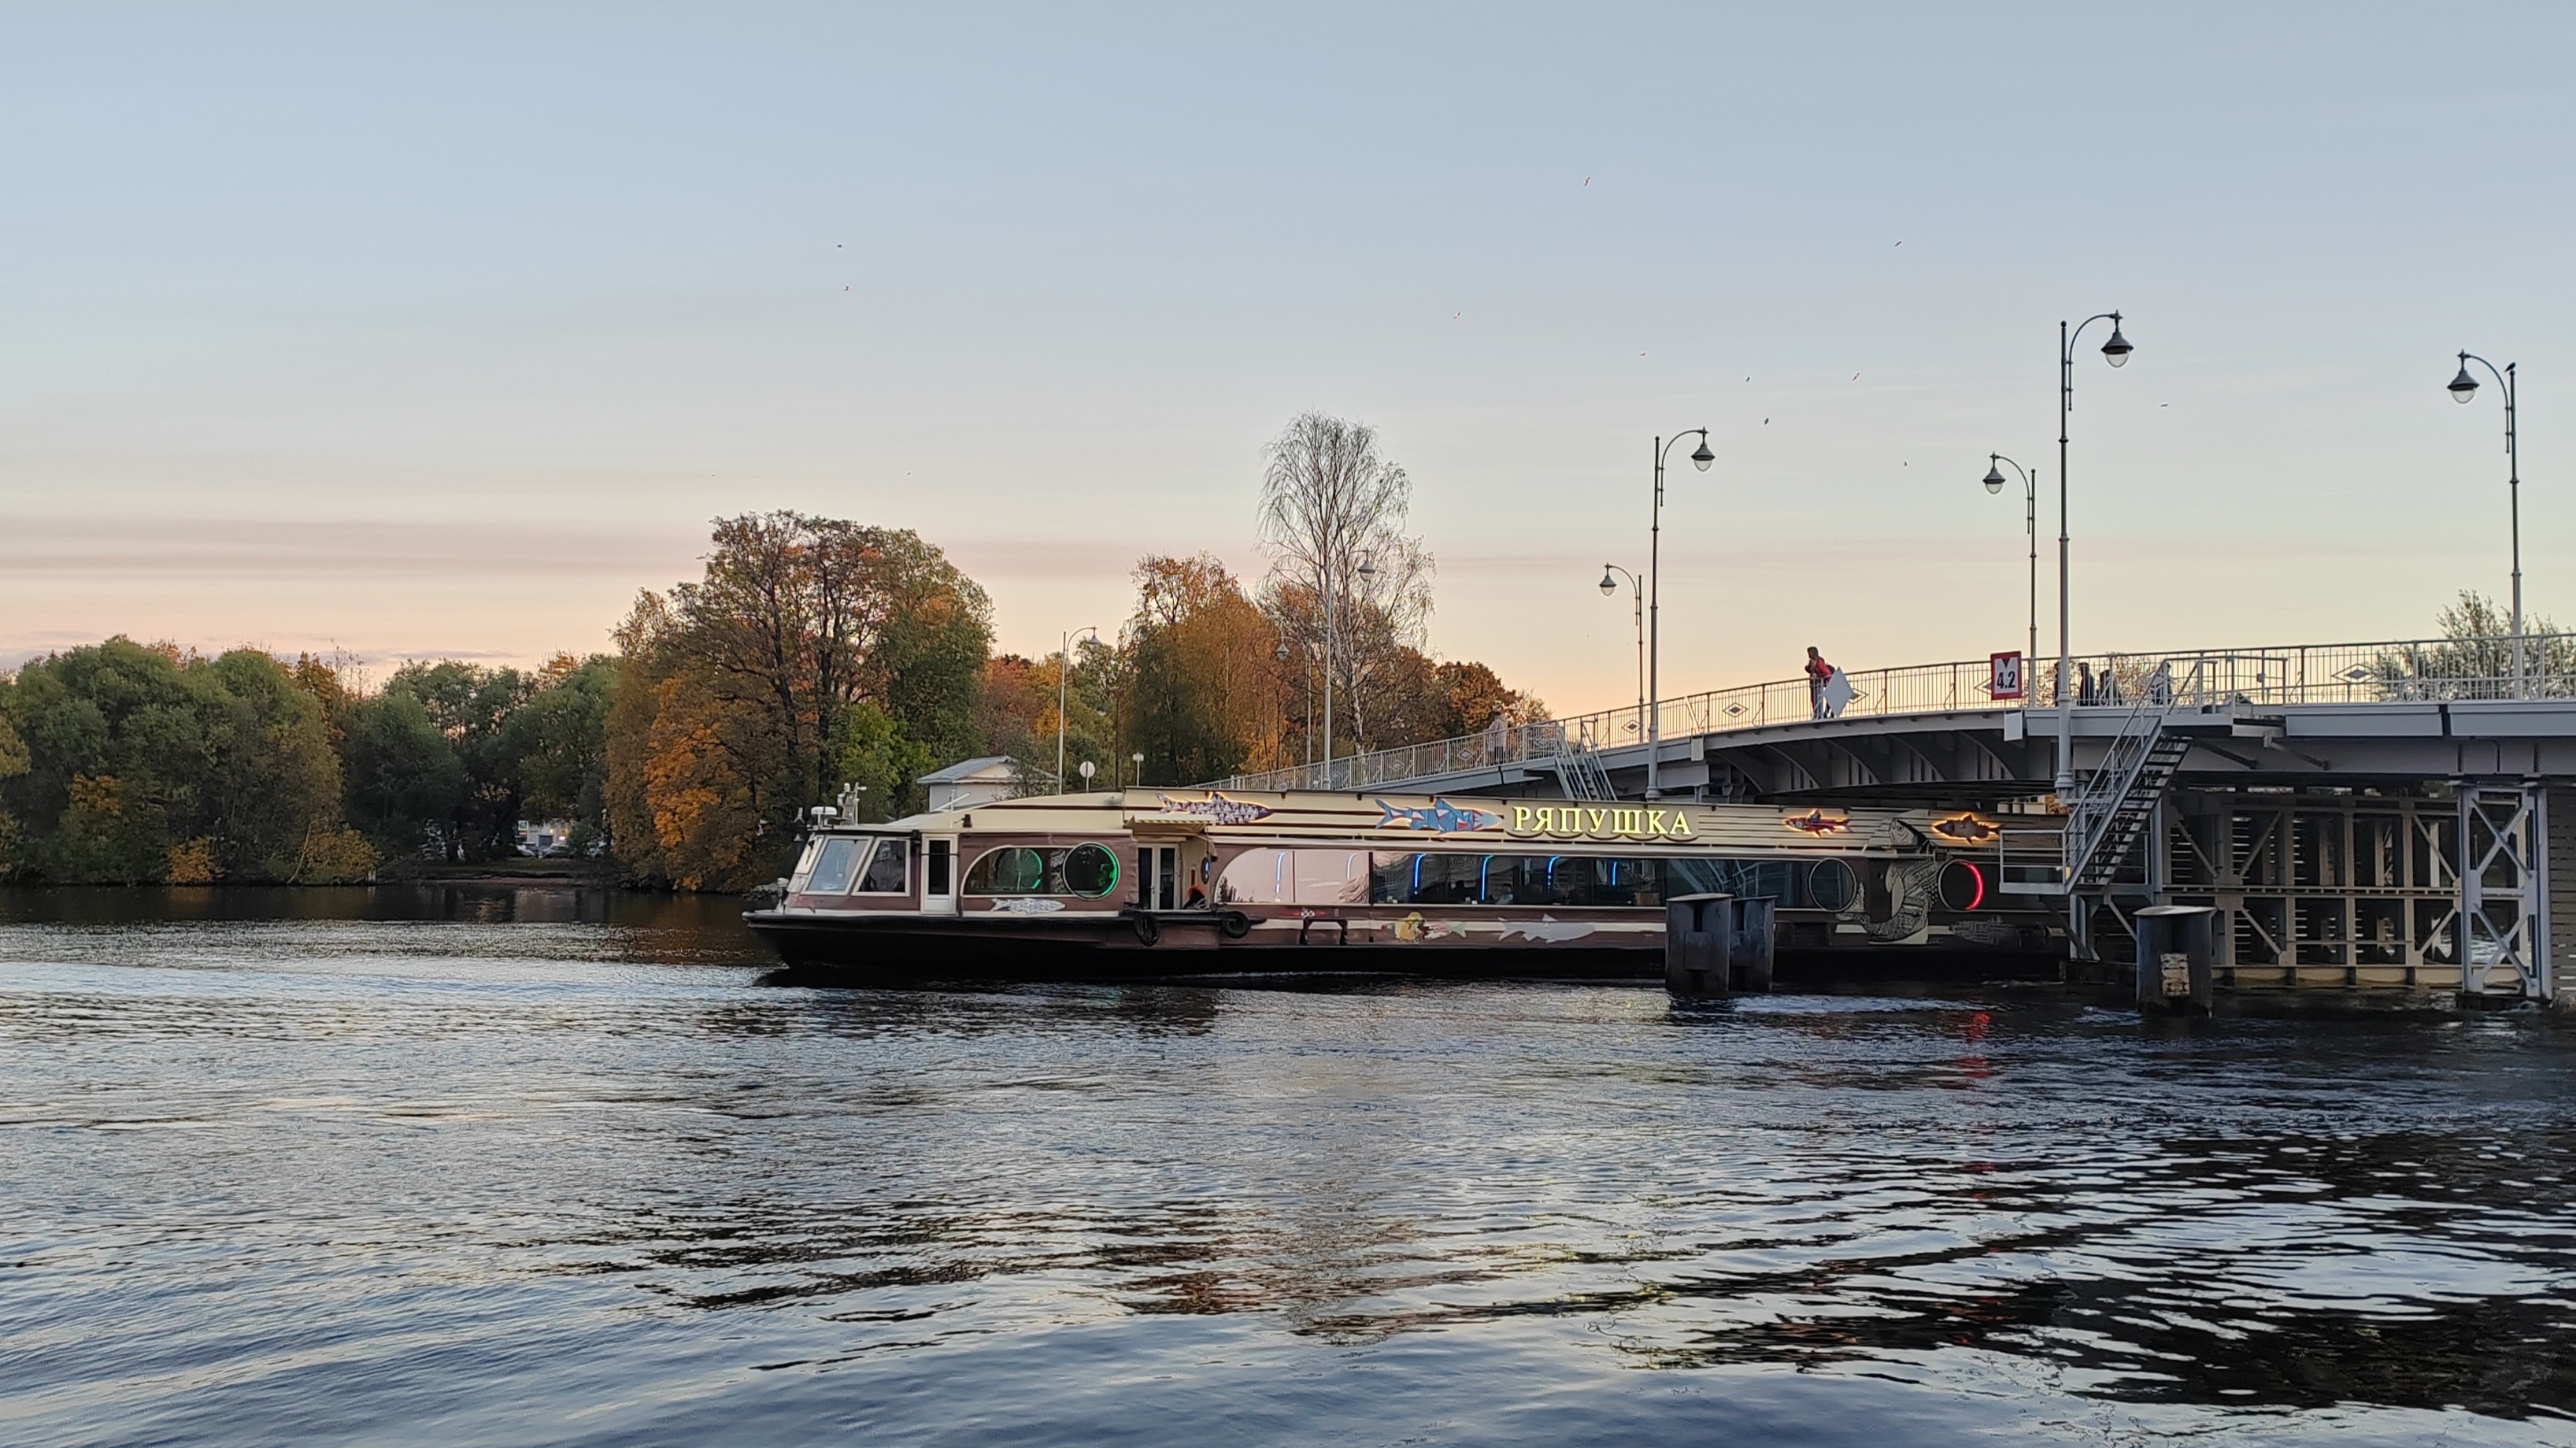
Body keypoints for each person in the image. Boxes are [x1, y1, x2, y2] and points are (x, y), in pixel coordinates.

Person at [1805, 647, 1834, 720]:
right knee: (1815, 699)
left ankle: (1822, 714)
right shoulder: (1814, 662)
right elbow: (1808, 669)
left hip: (1823, 683)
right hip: (1815, 684)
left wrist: (1817, 676)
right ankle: (1818, 714)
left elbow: (1827, 673)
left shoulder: (1820, 662)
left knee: (1826, 698)